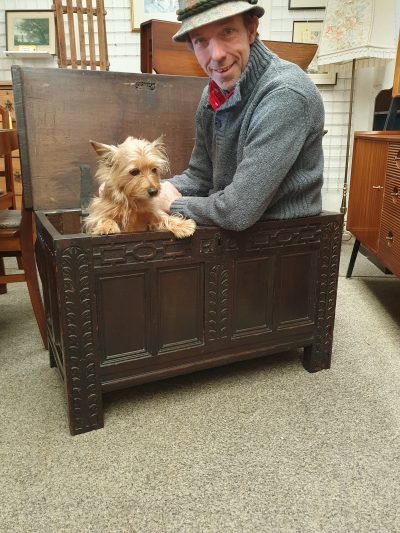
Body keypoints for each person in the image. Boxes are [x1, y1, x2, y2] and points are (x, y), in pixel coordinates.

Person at [158, 0, 325, 231]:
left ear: (251, 29)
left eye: (227, 32)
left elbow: (237, 211)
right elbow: (200, 178)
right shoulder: (212, 95)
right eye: (201, 41)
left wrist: (174, 204)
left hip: (283, 243)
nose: (216, 55)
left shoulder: (286, 94)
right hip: (233, 236)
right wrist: (137, 189)